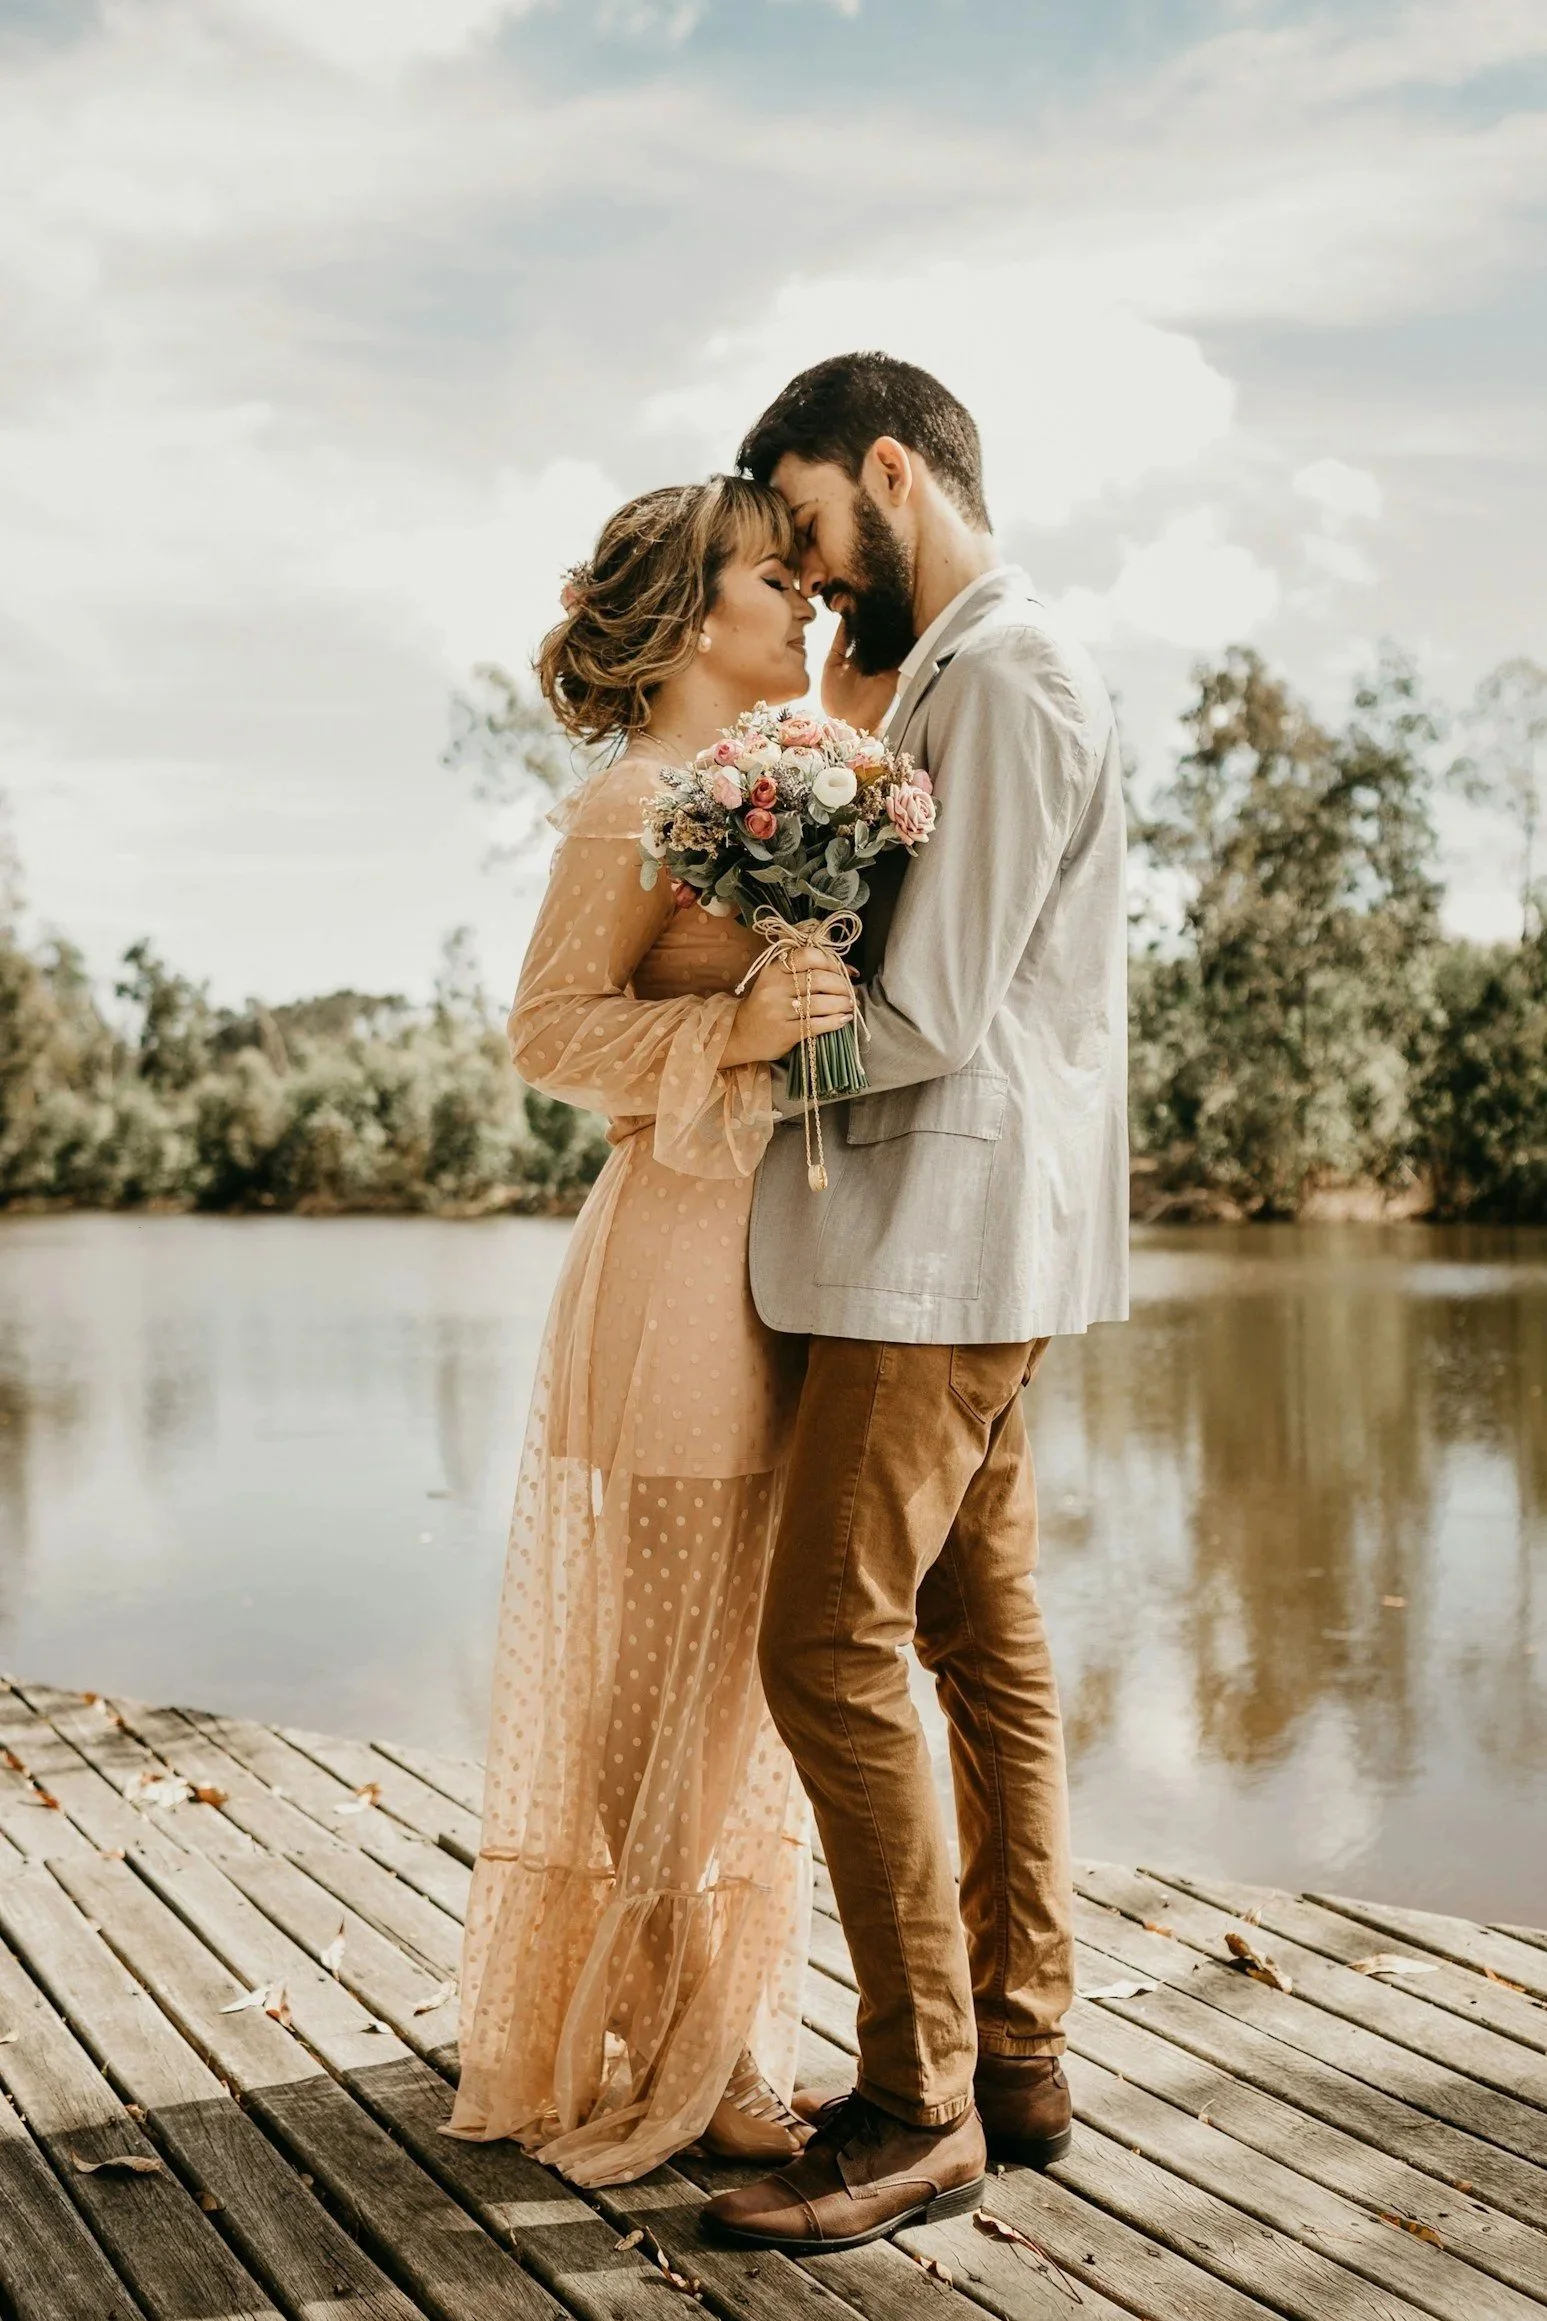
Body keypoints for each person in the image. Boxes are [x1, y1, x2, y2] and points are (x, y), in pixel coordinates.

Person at [702, 353, 1130, 2254]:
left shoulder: (1012, 675)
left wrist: (734, 1056)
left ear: (891, 468)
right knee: (981, 1639)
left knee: (826, 1647)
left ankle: (910, 2105)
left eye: (806, 526)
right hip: (936, 1246)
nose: (808, 576)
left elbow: (930, 1014)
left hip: (935, 1254)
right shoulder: (942, 673)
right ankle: (1014, 2057)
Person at [447, 476, 855, 2187]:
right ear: (700, 616)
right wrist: (739, 1029)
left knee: (737, 1668)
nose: (808, 610)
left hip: (780, 1262)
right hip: (673, 1267)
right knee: (670, 1675)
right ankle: (686, 2021)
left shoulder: (780, 785)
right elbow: (544, 1031)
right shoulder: (630, 802)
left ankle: (681, 1996)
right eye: (781, 582)